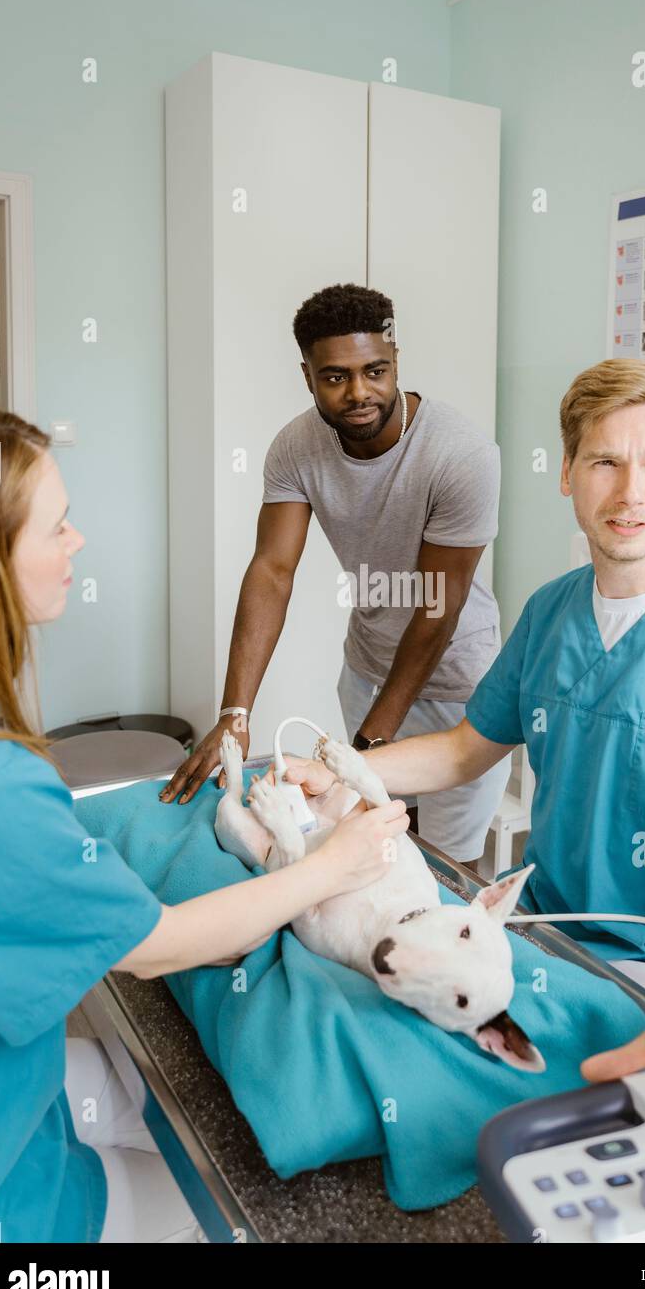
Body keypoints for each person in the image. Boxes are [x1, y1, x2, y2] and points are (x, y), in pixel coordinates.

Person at [283, 358, 645, 1129]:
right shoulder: (551, 611)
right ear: (567, 473)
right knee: (372, 1062)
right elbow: (469, 747)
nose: (632, 492)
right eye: (605, 461)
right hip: (549, 938)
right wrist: (338, 769)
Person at [0, 403, 407, 1243]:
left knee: (133, 1091)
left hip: (4, 1089)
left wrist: (360, 763)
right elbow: (158, 945)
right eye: (57, 526)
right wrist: (326, 866)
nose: (77, 543)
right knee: (229, 1218)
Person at [161, 283, 511, 872]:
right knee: (375, 840)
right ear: (308, 375)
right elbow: (272, 570)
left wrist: (369, 745)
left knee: (451, 870)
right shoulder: (296, 447)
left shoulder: (461, 455)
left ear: (396, 361)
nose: (359, 393)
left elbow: (437, 608)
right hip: (368, 669)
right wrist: (236, 714)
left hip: (458, 685)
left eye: (375, 370)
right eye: (335, 377)